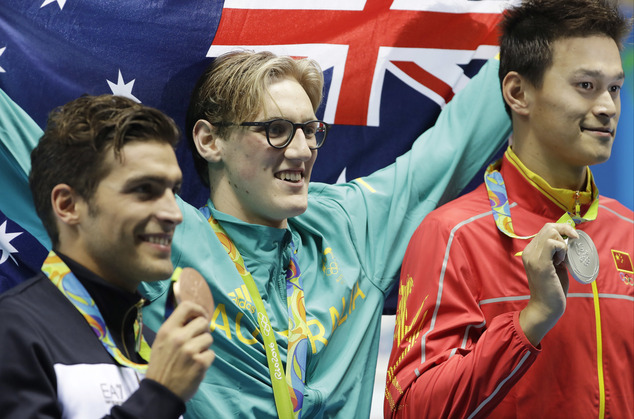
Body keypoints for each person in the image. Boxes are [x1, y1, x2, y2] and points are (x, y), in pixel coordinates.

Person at [134, 50, 513, 418]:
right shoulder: (168, 237)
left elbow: (454, 144)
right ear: (209, 141)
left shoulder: (348, 227)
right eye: (276, 131)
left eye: (310, 130)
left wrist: (536, 35)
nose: (302, 151)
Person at [384, 0, 633, 417]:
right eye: (586, 85)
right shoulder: (452, 235)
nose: (608, 107)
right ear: (518, 92)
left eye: (614, 88)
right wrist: (530, 321)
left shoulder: (628, 229)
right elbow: (409, 409)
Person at [0, 95, 215, 418]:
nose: (174, 213)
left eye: (175, 191)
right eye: (144, 189)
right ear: (68, 205)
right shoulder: (13, 331)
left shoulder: (157, 347)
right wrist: (160, 395)